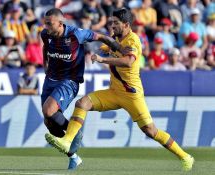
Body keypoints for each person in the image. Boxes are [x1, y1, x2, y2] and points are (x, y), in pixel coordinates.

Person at [45, 8, 194, 172]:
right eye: (111, 22)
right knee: (82, 103)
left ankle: (185, 156)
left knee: (151, 131)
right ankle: (68, 140)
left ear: (127, 25)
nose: (112, 25)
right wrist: (97, 52)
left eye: (116, 22)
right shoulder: (115, 39)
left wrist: (103, 59)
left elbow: (128, 61)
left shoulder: (133, 40)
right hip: (114, 92)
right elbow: (104, 47)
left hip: (131, 95)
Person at [41, 8, 130, 170]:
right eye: (45, 23)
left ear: (60, 23)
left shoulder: (76, 34)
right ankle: (74, 156)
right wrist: (44, 64)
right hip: (50, 79)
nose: (46, 26)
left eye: (49, 23)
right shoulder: (45, 34)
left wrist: (120, 49)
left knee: (49, 110)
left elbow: (102, 37)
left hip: (69, 80)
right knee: (50, 123)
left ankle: (74, 133)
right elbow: (46, 47)